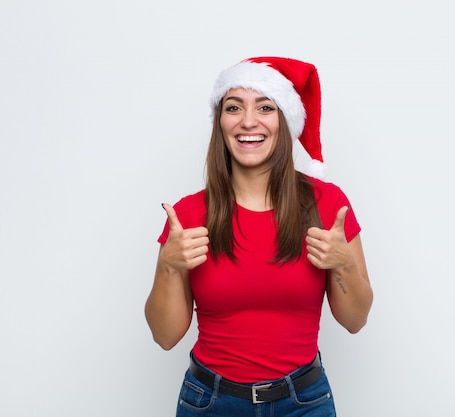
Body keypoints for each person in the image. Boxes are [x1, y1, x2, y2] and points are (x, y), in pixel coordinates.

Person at [145, 56, 373, 416]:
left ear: (284, 121)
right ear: (220, 123)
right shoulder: (187, 216)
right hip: (211, 403)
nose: (248, 120)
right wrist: (169, 268)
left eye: (265, 107)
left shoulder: (328, 204)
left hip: (304, 403)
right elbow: (165, 336)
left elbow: (355, 320)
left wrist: (343, 263)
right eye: (233, 107)